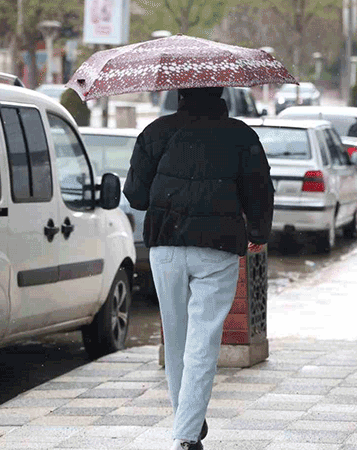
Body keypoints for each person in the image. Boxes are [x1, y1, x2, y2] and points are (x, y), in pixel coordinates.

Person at [123, 86, 274, 450]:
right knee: (203, 340)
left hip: (165, 244)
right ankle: (186, 434)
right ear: (220, 92)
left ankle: (186, 420)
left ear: (180, 93)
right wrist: (258, 232)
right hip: (218, 246)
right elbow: (260, 190)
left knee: (175, 336)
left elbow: (136, 195)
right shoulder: (241, 135)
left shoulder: (155, 132)